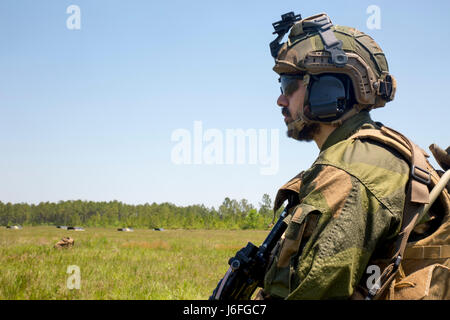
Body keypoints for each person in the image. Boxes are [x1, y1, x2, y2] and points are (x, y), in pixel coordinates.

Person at [259, 13, 450, 300]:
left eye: (289, 85)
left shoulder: (348, 171)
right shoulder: (389, 149)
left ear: (328, 89)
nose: (280, 99)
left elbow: (311, 293)